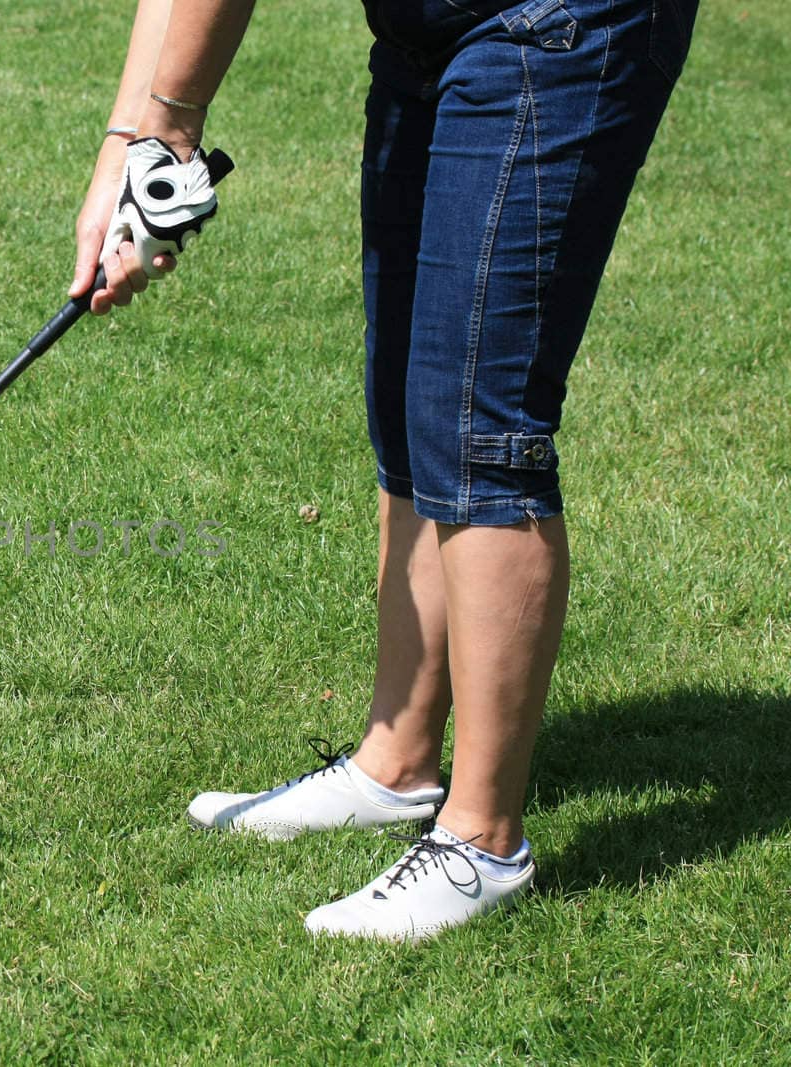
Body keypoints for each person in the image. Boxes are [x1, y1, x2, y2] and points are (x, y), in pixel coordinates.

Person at [73, 0, 698, 941]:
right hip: (426, 24)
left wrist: (170, 132)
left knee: (479, 411)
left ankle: (482, 840)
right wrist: (128, 150)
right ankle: (395, 762)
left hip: (561, 19)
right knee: (409, 387)